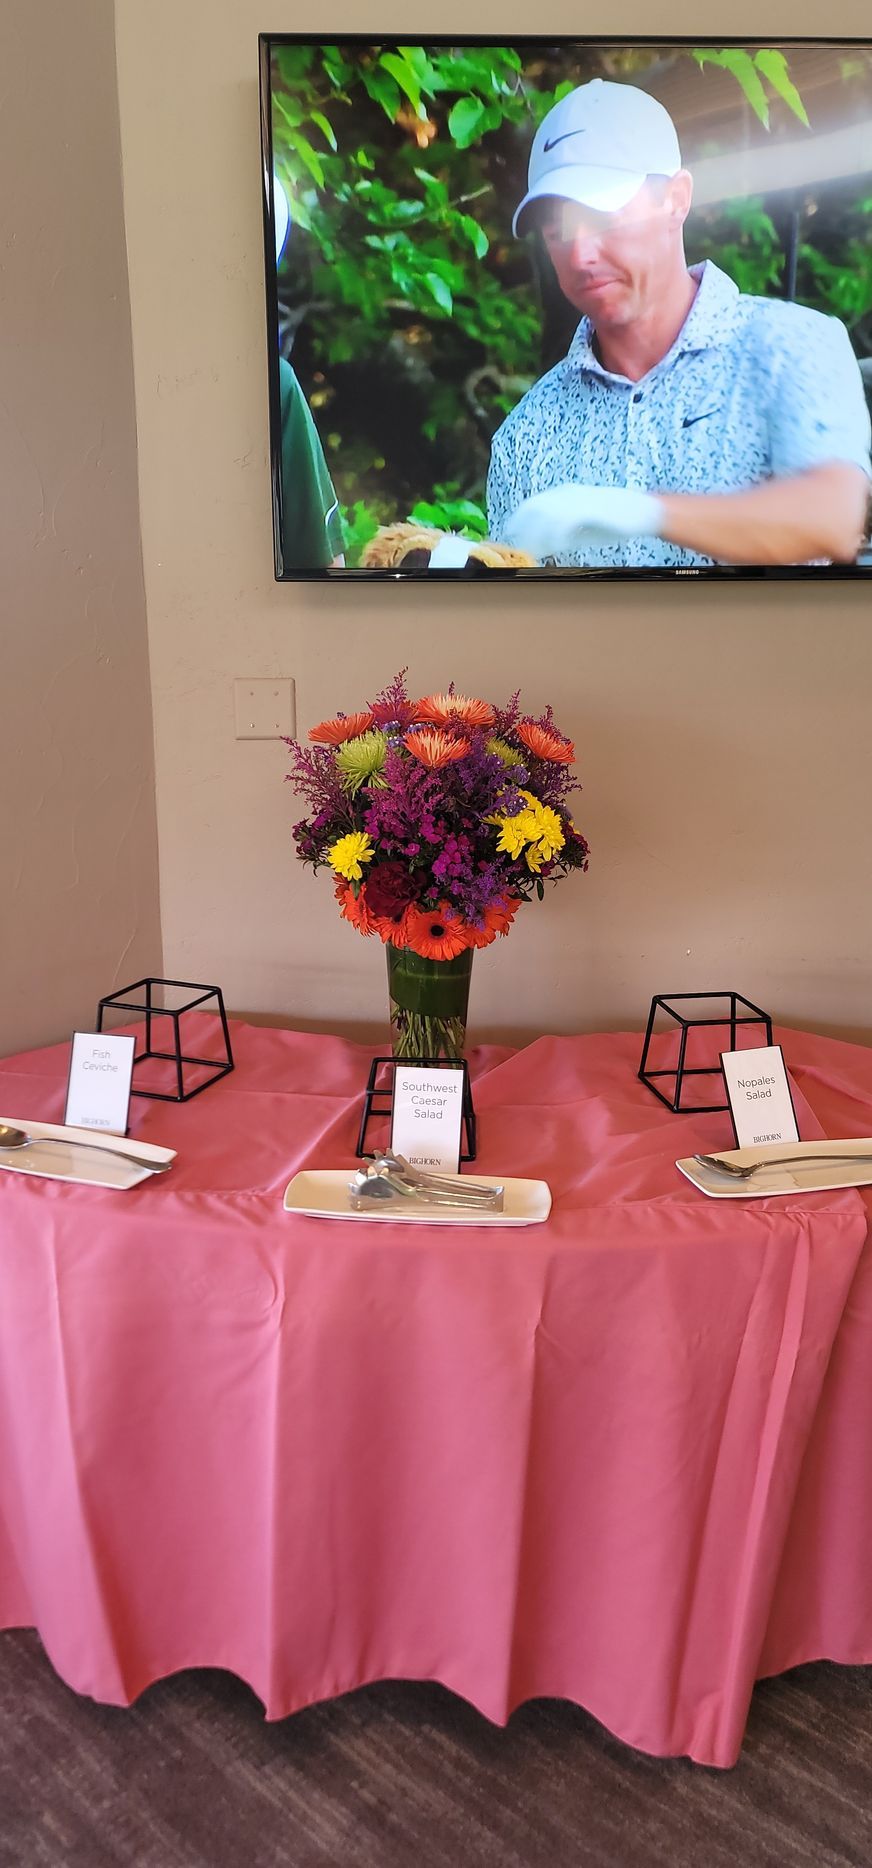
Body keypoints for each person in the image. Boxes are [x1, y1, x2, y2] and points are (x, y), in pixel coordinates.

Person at [487, 79, 872, 568]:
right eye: (558, 229)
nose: (581, 255)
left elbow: (830, 519)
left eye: (604, 216)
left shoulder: (793, 345)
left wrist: (640, 511)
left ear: (677, 199)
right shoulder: (527, 433)